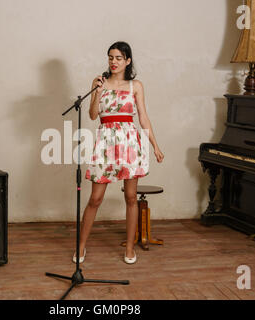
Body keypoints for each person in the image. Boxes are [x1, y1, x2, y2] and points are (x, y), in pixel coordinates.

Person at [73, 41, 164, 265]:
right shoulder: (99, 83)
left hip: (130, 142)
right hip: (105, 142)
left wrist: (154, 144)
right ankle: (81, 245)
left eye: (119, 58)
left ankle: (130, 248)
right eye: (111, 57)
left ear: (128, 61)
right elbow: (94, 115)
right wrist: (97, 92)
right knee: (95, 198)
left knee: (131, 197)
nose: (114, 62)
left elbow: (143, 117)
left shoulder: (136, 86)